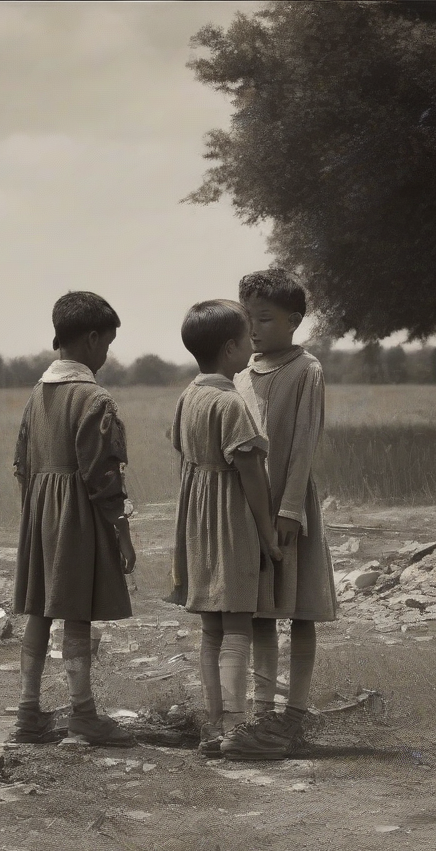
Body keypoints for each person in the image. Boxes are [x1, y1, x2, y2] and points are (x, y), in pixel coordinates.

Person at [11, 291, 137, 746]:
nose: (106, 353)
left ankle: (28, 713)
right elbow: (104, 476)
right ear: (90, 338)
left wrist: (35, 514)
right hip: (78, 518)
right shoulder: (93, 398)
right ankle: (83, 715)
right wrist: (121, 532)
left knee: (41, 612)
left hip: (39, 514)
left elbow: (21, 464)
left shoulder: (36, 394)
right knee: (77, 613)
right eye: (106, 343)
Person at [221, 270, 338, 761]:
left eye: (264, 319)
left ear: (293, 321)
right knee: (261, 611)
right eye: (248, 317)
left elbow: (304, 445)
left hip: (291, 507)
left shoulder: (307, 369)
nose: (254, 328)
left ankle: (295, 712)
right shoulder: (241, 375)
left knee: (302, 609)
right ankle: (263, 710)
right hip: (251, 507)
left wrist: (290, 509)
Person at [170, 300, 281, 757]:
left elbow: (182, 455)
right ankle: (238, 729)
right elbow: (252, 476)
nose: (253, 343)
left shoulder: (189, 395)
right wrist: (268, 534)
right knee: (238, 625)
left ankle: (213, 727)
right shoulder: (231, 402)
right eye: (247, 336)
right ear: (232, 348)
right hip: (231, 520)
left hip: (197, 522)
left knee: (211, 631)